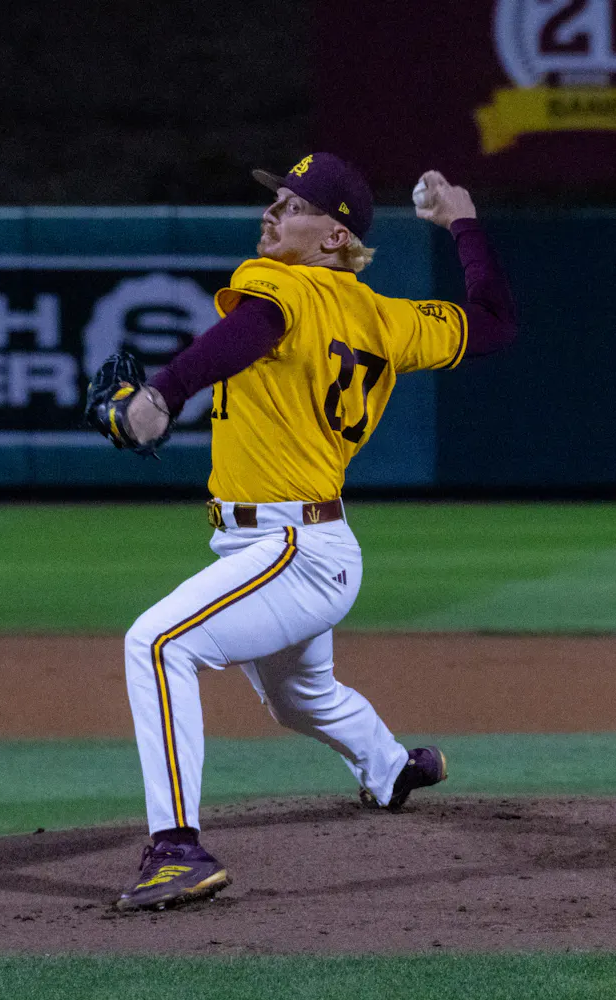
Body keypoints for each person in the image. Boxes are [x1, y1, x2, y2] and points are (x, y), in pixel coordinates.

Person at [89, 153, 518, 911]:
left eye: (292, 206)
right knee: (301, 698)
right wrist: (465, 224)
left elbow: (249, 330)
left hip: (292, 548)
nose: (271, 214)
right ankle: (393, 769)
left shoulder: (281, 287)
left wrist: (163, 392)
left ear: (334, 238)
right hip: (300, 545)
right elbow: (494, 323)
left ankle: (176, 850)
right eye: (276, 200)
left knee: (157, 643)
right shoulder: (391, 319)